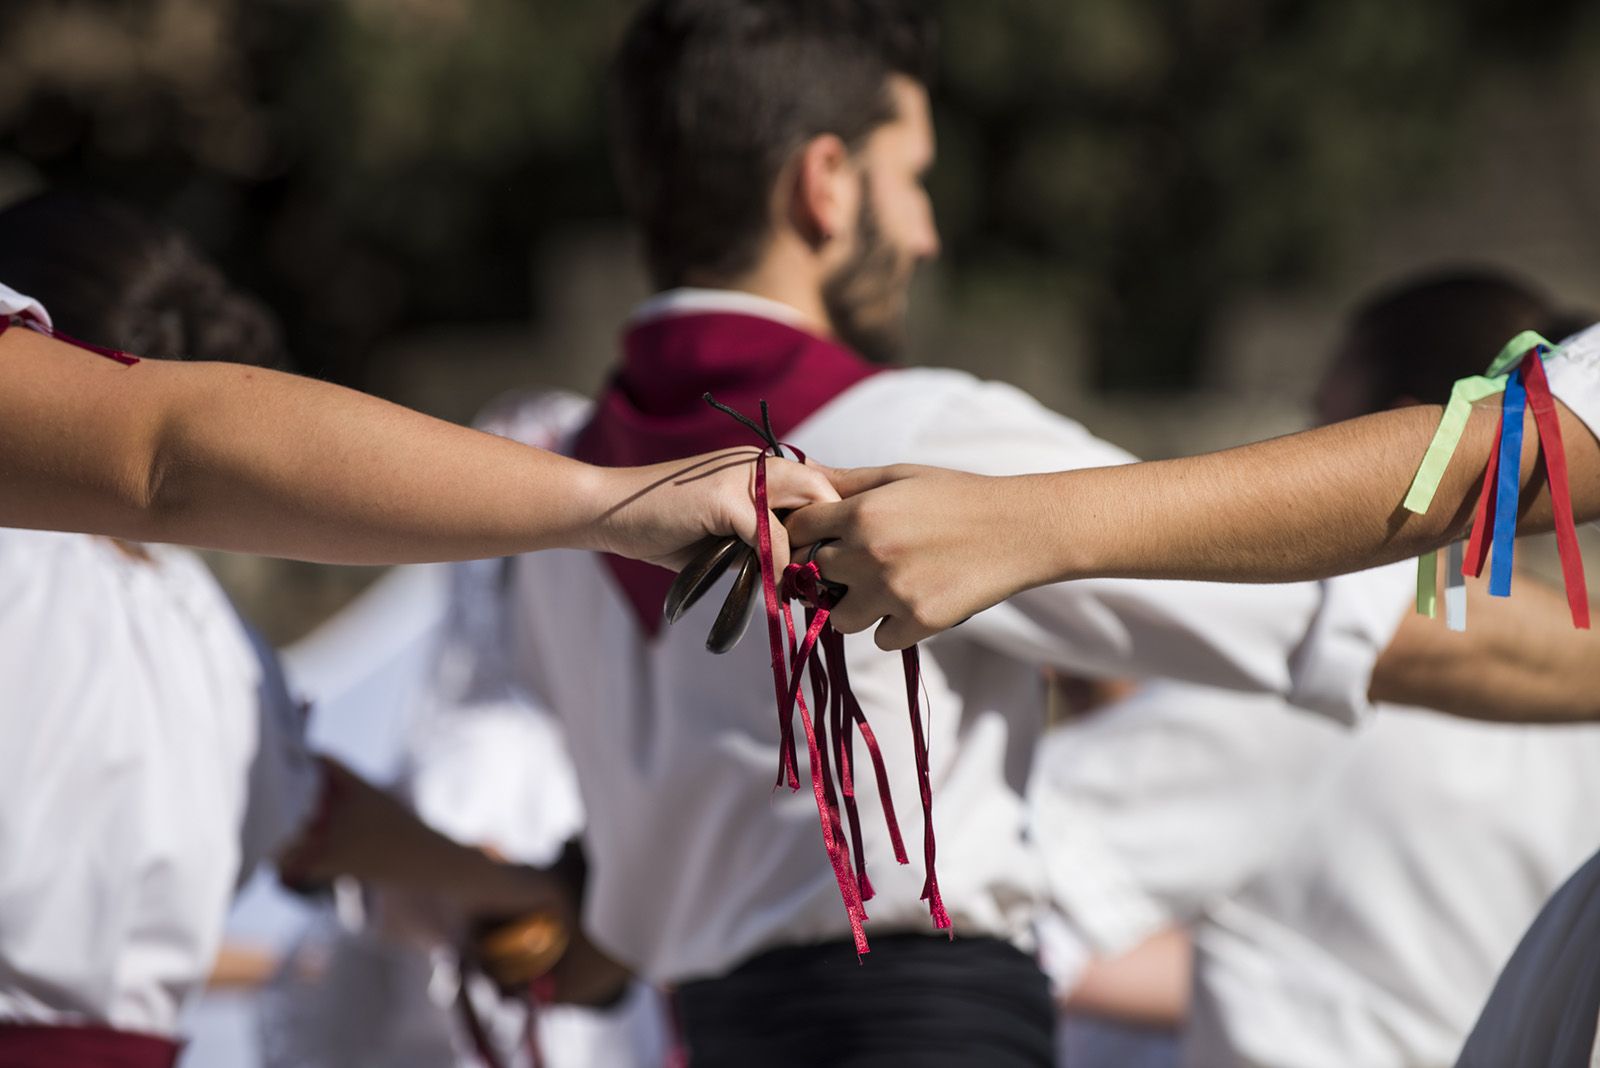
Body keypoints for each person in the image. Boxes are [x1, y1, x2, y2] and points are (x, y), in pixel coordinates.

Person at [498, 4, 1600, 1065]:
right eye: (914, 178)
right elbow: (1347, 621)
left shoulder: (562, 495)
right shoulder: (927, 430)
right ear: (824, 186)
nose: (927, 233)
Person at [0, 194, 731, 1066]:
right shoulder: (210, 633)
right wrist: (530, 891)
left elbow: (317, 814)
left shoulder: (145, 605)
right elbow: (319, 814)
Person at [1024, 268, 1600, 1068]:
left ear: (1398, 445)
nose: (1294, 458)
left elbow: (1022, 878)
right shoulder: (1580, 686)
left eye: (1320, 429)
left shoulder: (1335, 664)